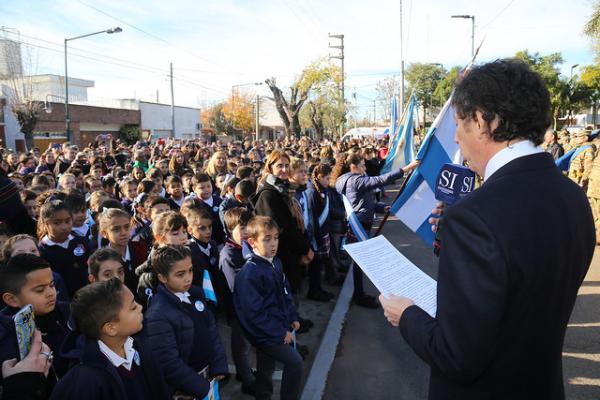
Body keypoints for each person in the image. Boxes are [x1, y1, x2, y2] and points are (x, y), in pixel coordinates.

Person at [379, 59, 595, 400]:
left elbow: (456, 356)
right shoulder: (573, 196)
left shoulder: (474, 216)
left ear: (480, 122)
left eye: (458, 125)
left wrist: (406, 315)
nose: (457, 139)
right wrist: (452, 237)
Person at [50, 278, 170, 400]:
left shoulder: (140, 347)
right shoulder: (85, 381)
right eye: (133, 307)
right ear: (111, 328)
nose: (140, 307)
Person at [333, 152, 417, 308]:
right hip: (360, 226)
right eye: (362, 165)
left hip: (358, 224)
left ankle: (359, 294)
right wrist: (407, 168)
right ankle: (359, 296)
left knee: (360, 263)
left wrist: (381, 208)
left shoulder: (346, 179)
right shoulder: (355, 180)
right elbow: (380, 180)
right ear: (353, 167)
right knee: (360, 263)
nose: (365, 168)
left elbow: (363, 203)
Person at [144, 245, 228, 399]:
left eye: (190, 270)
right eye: (180, 274)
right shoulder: (158, 315)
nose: (188, 278)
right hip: (186, 388)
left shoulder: (195, 294)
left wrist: (218, 364)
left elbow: (211, 330)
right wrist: (201, 387)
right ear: (162, 278)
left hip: (208, 376)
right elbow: (168, 363)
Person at [234, 216, 303, 400]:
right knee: (295, 362)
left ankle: (263, 396)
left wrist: (293, 317)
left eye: (276, 238)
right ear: (252, 242)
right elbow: (253, 314)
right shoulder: (250, 273)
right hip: (265, 333)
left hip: (275, 328)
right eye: (267, 239)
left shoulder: (275, 262)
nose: (273, 243)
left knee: (266, 368)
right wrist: (280, 333)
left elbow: (285, 293)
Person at [0, 254, 71, 381]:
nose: (50, 293)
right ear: (12, 299)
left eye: (52, 285)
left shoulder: (68, 313)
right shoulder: (5, 339)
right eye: (40, 290)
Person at [219, 207, 255, 395]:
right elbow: (237, 286)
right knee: (241, 346)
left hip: (250, 307)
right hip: (238, 309)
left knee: (247, 345)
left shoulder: (248, 247)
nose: (247, 231)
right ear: (229, 229)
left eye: (249, 226)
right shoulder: (229, 254)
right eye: (242, 228)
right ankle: (247, 381)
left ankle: (245, 372)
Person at [38, 198, 91, 298]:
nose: (64, 227)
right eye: (57, 223)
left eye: (67, 221)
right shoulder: (42, 251)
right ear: (45, 224)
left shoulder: (80, 241)